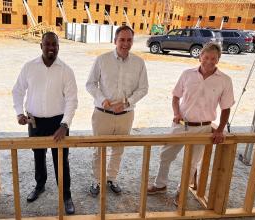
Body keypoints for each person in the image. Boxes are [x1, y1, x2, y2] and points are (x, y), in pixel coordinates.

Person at [147, 43, 235, 206]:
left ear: (218, 59)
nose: (209, 61)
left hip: (203, 128)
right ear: (200, 56)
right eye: (206, 57)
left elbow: (226, 108)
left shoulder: (225, 81)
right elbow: (175, 97)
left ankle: (182, 192)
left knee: (192, 162)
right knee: (166, 155)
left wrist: (220, 130)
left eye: (213, 58)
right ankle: (160, 185)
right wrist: (176, 113)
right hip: (181, 124)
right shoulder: (187, 74)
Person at [12, 32, 78, 214]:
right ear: (40, 46)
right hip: (35, 122)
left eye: (54, 45)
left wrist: (65, 125)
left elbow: (72, 100)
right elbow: (17, 91)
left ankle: (66, 195)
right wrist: (19, 113)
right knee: (38, 156)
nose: (51, 48)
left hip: (58, 123)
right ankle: (40, 185)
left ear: (58, 46)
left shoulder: (66, 70)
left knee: (61, 160)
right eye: (47, 44)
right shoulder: (29, 67)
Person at [86, 25, 149, 197]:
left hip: (126, 115)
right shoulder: (102, 60)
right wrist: (102, 100)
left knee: (118, 148)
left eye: (129, 40)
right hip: (102, 114)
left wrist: (128, 102)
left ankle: (111, 178)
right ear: (115, 41)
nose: (125, 44)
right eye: (122, 39)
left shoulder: (139, 63)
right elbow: (90, 84)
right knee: (99, 149)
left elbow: (143, 88)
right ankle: (97, 181)